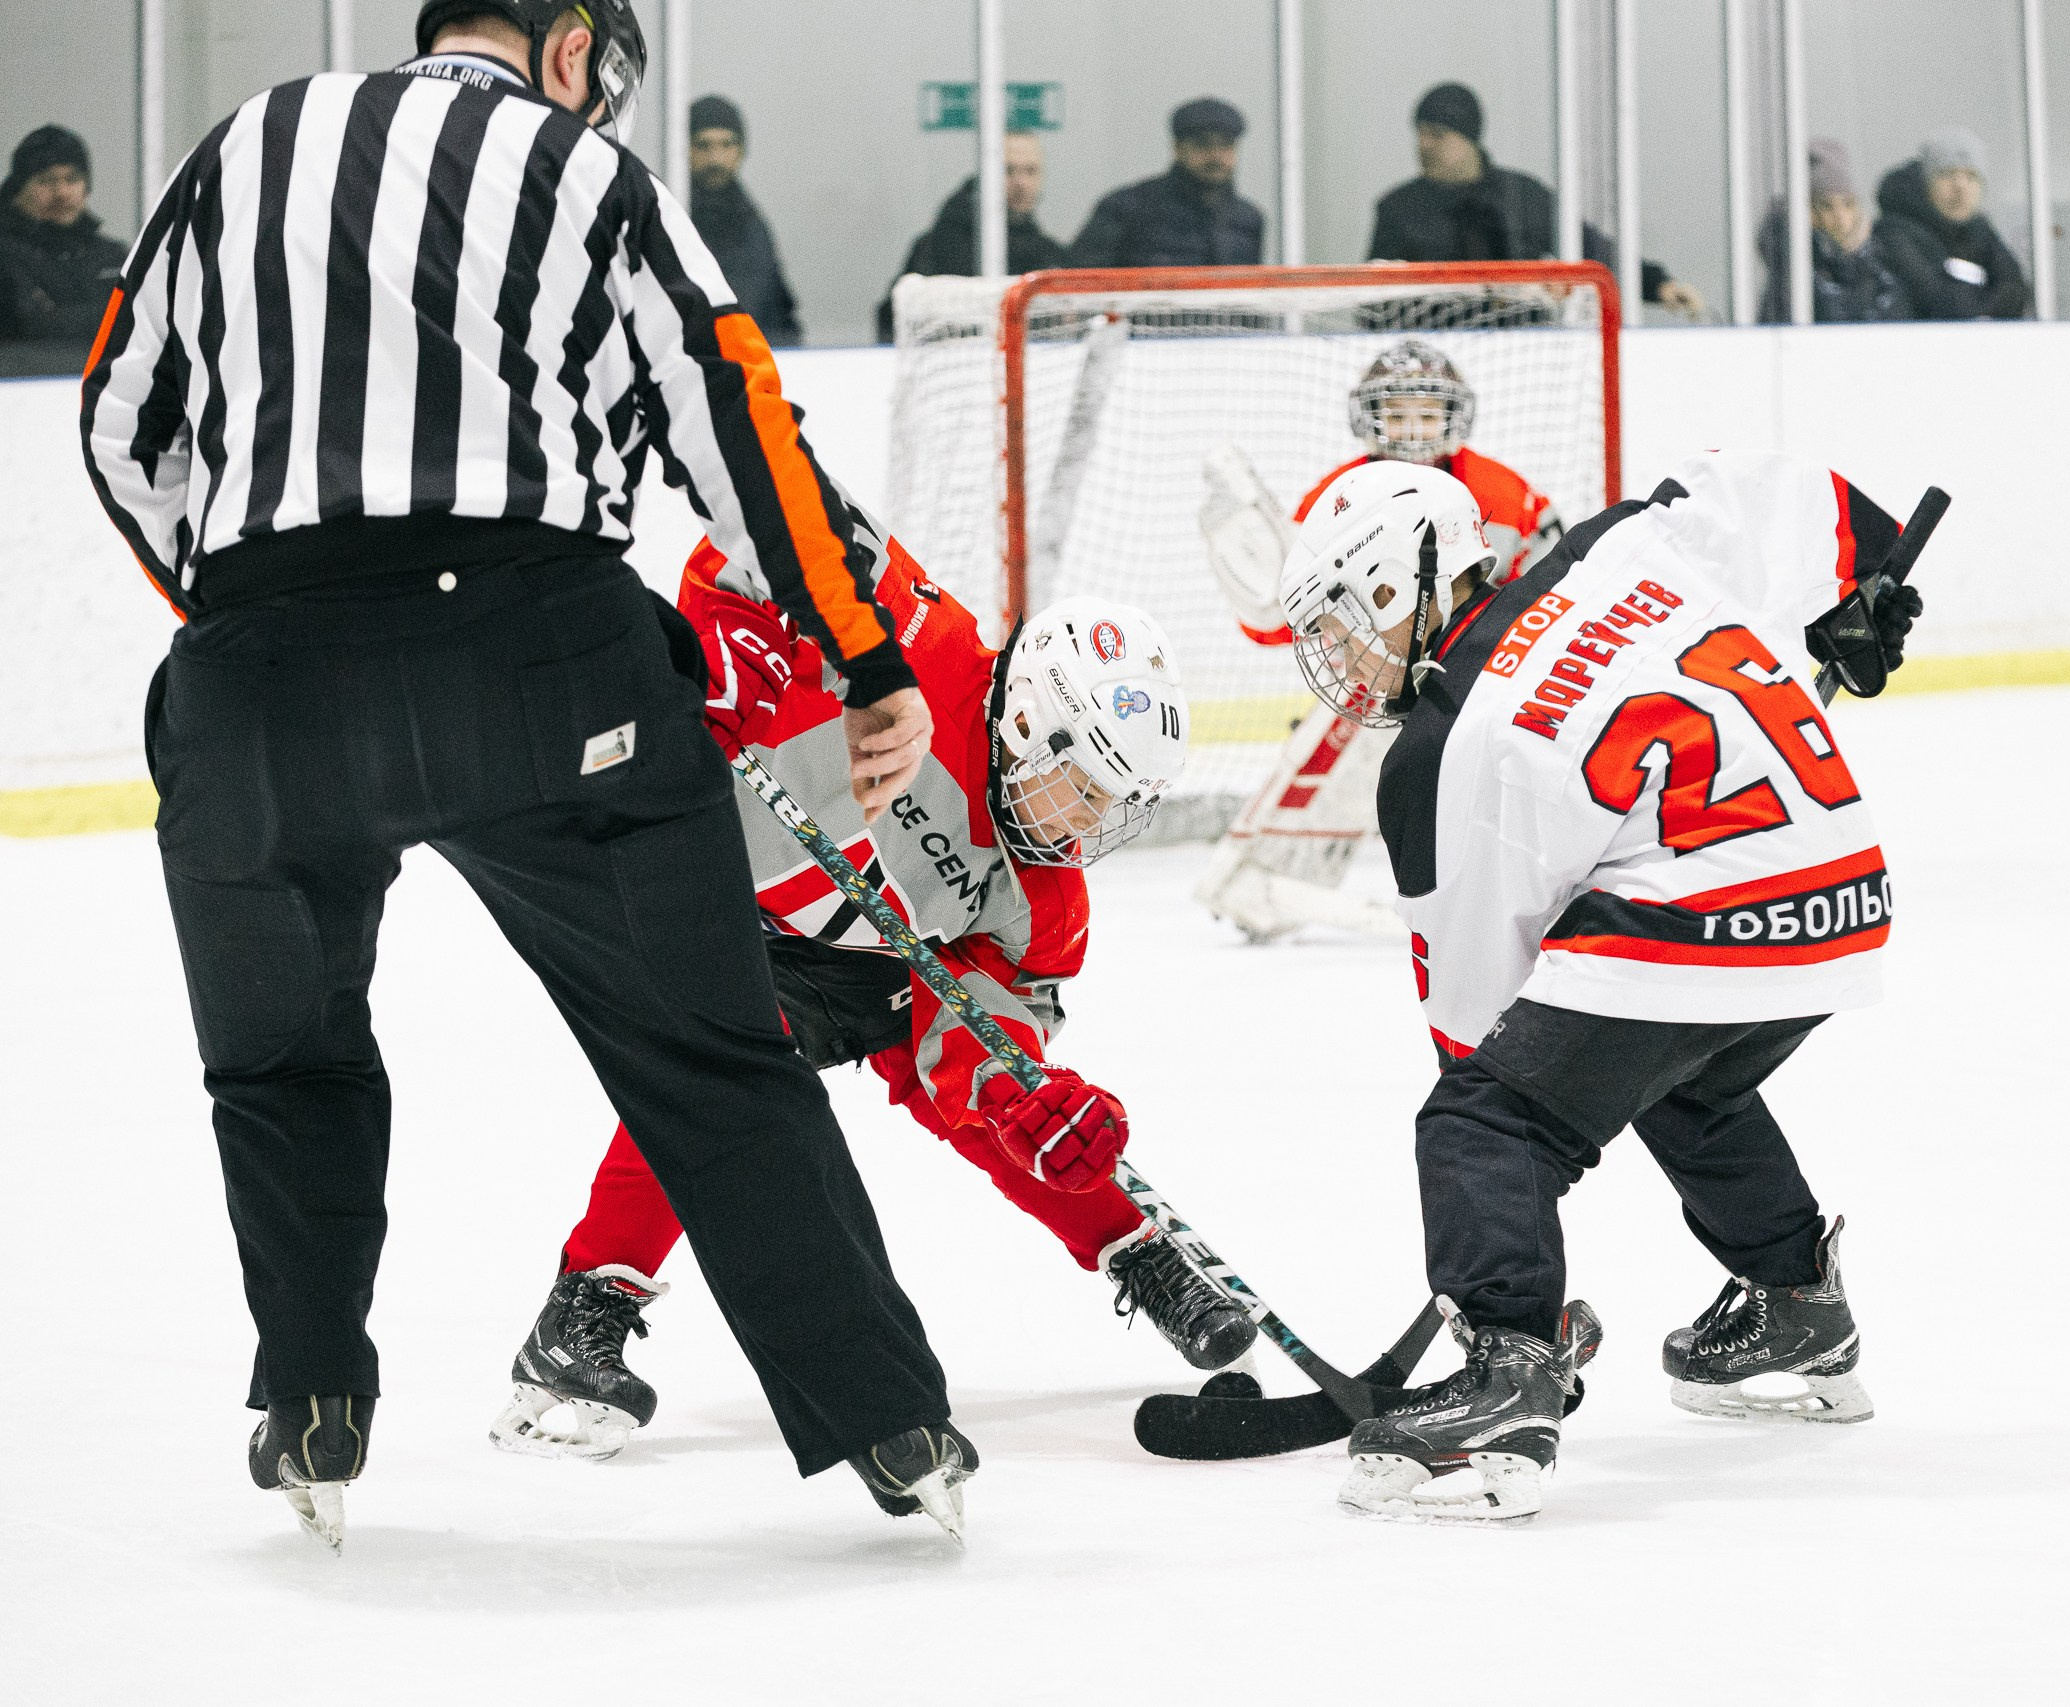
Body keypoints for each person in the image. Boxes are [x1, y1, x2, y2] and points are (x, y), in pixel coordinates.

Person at [80, 0, 977, 1550]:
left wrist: (255, 616)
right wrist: (864, 648)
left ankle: (308, 1400)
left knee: (282, 1061)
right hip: (537, 658)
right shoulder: (584, 172)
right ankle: (889, 1422)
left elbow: (118, 428)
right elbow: (736, 423)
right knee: (707, 1049)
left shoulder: (239, 145)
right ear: (567, 48)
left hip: (259, 682)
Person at [1267, 448, 1927, 1522]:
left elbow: (1477, 1034)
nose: (1336, 653)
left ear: (1401, 583)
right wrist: (1868, 591)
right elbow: (1800, 495)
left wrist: (1499, 1236)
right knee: (1679, 1068)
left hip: (1701, 903)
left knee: (1480, 1124)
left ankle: (1506, 1376)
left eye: (1343, 618)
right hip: (1843, 890)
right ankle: (1796, 1299)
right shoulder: (1622, 541)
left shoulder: (1439, 751)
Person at [491, 534, 1253, 1459]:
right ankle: (582, 1312)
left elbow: (965, 1045)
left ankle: (1140, 1247)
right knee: (713, 1079)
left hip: (874, 963)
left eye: (1112, 805)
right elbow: (755, 531)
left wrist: (1020, 1097)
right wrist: (739, 648)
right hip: (723, 899)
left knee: (1001, 1114)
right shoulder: (910, 645)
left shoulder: (1042, 900)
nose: (1087, 827)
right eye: (1081, 790)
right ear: (1026, 725)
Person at [1193, 339, 1564, 943]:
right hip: (1382, 676)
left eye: (1426, 413)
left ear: (1453, 417)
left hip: (1490, 671)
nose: (1413, 431)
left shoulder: (1503, 491)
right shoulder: (1338, 496)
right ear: (1368, 419)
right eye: (1396, 415)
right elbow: (1279, 620)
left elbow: (1553, 584)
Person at [1368, 83, 1705, 321]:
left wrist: (1657, 284)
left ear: (1469, 138)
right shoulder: (1398, 209)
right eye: (1420, 133)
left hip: (1524, 361)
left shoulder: (1522, 197)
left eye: (1437, 134)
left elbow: (1592, 252)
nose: (1423, 145)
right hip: (1433, 365)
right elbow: (1372, 303)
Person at [873, 130, 1070, 343]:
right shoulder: (940, 246)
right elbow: (893, 318)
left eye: (1030, 171)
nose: (1021, 183)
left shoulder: (1049, 256)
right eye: (1008, 170)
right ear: (986, 175)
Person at [1065, 97, 1263, 269]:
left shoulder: (1248, 219)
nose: (1216, 156)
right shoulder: (1126, 208)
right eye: (1202, 144)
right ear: (1177, 148)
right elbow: (1080, 284)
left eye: (1226, 145)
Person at [0, 124, 127, 371]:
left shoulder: (112, 256)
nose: (61, 192)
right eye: (46, 181)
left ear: (86, 187)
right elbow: (30, 326)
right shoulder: (5, 256)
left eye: (72, 179)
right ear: (17, 190)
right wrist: (114, 316)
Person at [1872, 126, 2029, 321]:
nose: (1960, 188)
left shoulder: (1980, 229)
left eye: (1971, 176)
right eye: (1948, 175)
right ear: (1926, 184)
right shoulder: (1895, 232)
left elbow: (2015, 290)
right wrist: (1988, 305)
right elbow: (1938, 300)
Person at [1755, 139, 1911, 325]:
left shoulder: (1882, 268)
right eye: (1826, 206)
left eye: (1848, 204)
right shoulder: (1793, 275)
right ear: (1808, 213)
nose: (1840, 217)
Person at [687, 94, 800, 345]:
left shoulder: (754, 227)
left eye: (727, 145)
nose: (715, 159)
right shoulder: (668, 219)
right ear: (685, 150)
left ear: (741, 151)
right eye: (704, 145)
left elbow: (780, 312)